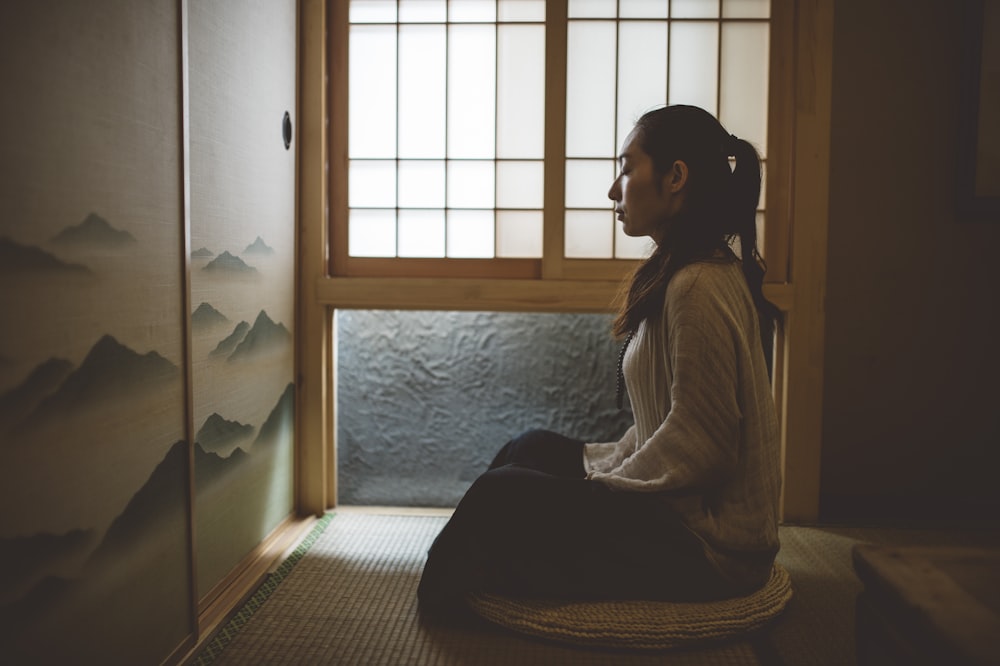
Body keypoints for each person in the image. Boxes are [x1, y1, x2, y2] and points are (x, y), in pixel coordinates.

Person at [417, 105, 782, 619]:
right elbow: (664, 424)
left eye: (628, 168)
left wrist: (605, 487)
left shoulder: (699, 284)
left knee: (502, 495)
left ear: (675, 177)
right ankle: (481, 568)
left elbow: (706, 442)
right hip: (679, 516)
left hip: (712, 549)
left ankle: (453, 602)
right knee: (532, 447)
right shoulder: (682, 272)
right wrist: (602, 468)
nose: (615, 189)